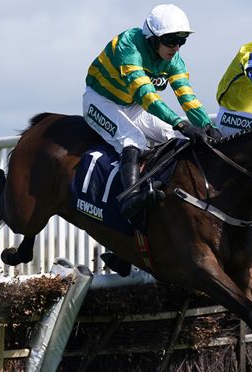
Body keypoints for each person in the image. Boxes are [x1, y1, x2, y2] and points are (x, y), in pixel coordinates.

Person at [82, 4, 222, 219]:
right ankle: (130, 198)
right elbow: (146, 95)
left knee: (172, 137)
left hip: (132, 106)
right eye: (171, 40)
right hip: (100, 101)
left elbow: (187, 97)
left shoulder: (174, 60)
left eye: (181, 40)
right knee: (133, 140)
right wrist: (183, 124)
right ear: (153, 38)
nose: (176, 47)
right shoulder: (128, 44)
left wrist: (206, 125)